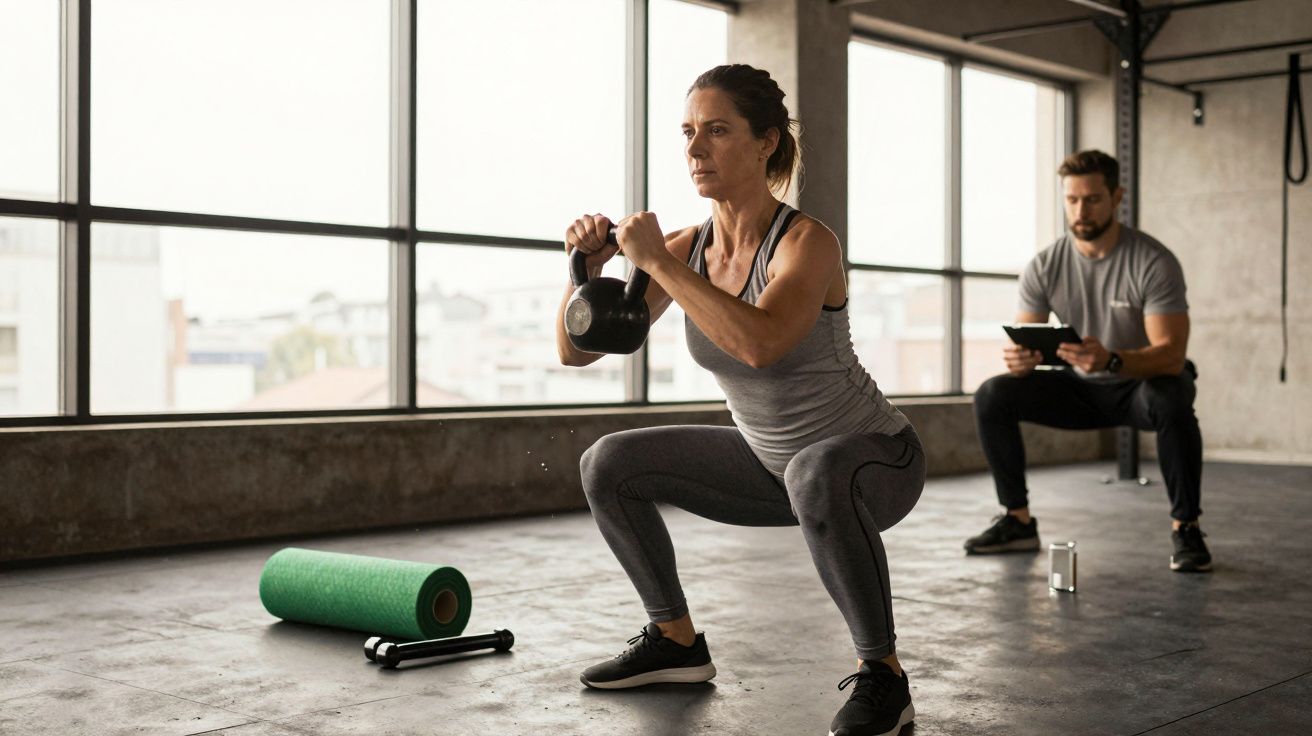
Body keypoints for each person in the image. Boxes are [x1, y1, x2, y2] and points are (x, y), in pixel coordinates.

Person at [556, 64, 923, 736]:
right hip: (771, 468)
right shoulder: (684, 248)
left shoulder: (808, 244)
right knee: (607, 462)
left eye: (717, 131)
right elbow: (581, 350)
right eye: (689, 132)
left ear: (765, 143)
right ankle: (675, 642)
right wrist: (586, 273)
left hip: (876, 464)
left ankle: (885, 678)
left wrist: (659, 265)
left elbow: (763, 344)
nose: (695, 148)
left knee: (816, 470)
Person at [964, 149, 1211, 573]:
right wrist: (1021, 361)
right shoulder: (1045, 265)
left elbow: (1171, 354)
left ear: (1117, 197)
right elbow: (1031, 338)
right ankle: (1017, 521)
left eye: (1093, 199)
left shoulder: (1152, 261)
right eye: (1072, 200)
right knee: (993, 394)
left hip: (1138, 387)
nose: (1081, 210)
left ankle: (1186, 527)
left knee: (1173, 395)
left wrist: (1113, 360)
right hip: (1079, 388)